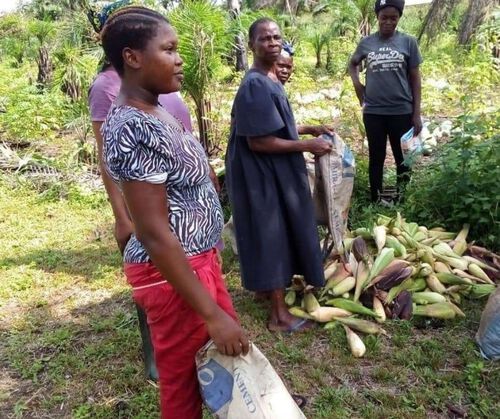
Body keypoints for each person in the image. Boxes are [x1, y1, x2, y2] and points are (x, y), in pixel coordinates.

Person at [100, 7, 248, 418]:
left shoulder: (157, 109)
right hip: (172, 270)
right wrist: (210, 313)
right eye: (169, 49)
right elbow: (151, 232)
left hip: (197, 262)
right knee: (184, 388)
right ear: (133, 58)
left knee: (222, 367)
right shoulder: (131, 124)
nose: (180, 58)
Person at [88, 1, 193, 382]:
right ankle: (155, 353)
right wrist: (121, 216)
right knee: (156, 284)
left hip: (178, 204)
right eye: (168, 49)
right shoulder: (108, 88)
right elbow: (107, 157)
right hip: (146, 206)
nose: (176, 58)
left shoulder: (160, 84)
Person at [225, 18, 332, 333]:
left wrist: (308, 129)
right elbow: (258, 140)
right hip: (258, 171)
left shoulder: (269, 79)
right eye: (264, 38)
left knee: (274, 228)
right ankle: (278, 315)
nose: (271, 42)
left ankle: (263, 290)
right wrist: (307, 144)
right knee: (269, 232)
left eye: (276, 37)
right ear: (252, 45)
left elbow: (270, 124)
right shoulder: (255, 84)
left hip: (268, 167)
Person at [348, 0, 422, 203]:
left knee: (403, 158)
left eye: (393, 18)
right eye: (384, 18)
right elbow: (353, 63)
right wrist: (357, 85)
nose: (388, 22)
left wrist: (416, 113)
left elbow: (415, 79)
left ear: (399, 18)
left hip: (401, 111)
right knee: (376, 156)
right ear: (377, 18)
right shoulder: (367, 43)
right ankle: (376, 199)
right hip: (373, 112)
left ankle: (401, 199)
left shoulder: (408, 42)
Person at [274, 41, 334, 137]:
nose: (285, 71)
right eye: (280, 66)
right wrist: (308, 146)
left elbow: (283, 128)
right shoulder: (263, 90)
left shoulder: (278, 89)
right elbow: (261, 142)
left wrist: (313, 130)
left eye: (289, 67)